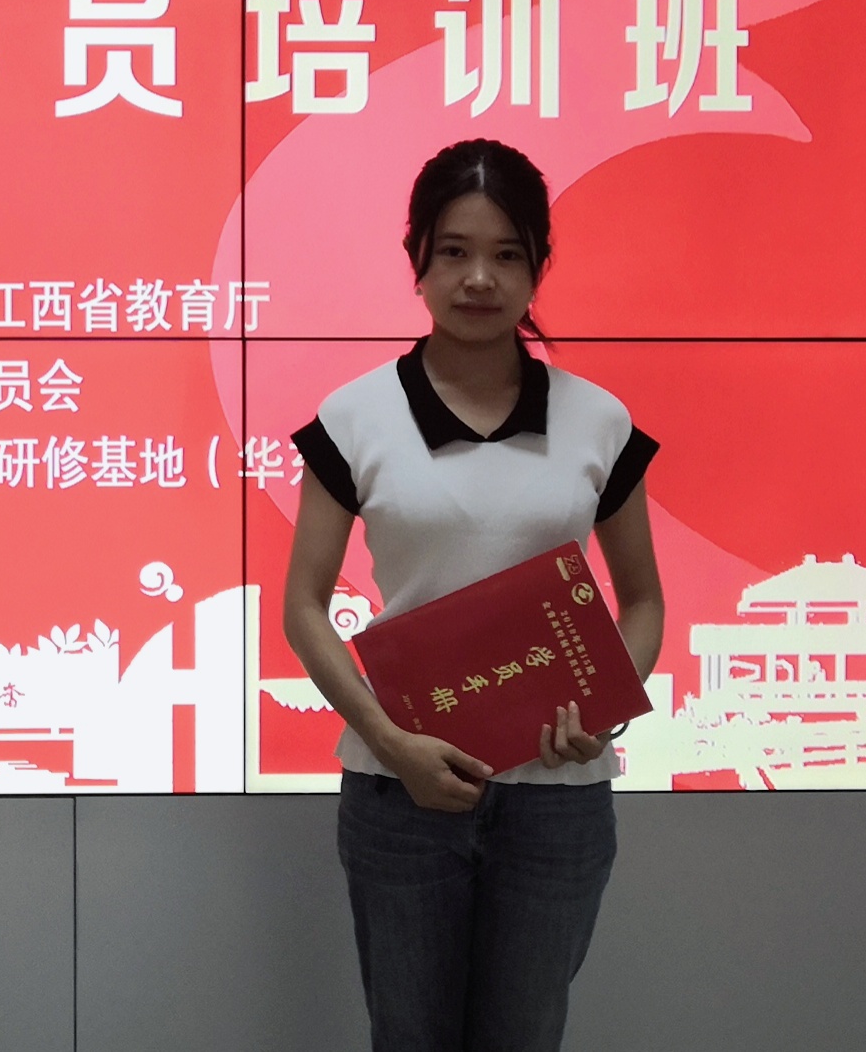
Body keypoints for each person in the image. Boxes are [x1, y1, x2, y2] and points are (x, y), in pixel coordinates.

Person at [282, 138, 667, 1052]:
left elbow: (643, 601)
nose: (480, 279)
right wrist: (389, 741)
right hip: (400, 791)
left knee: (526, 1036)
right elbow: (302, 604)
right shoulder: (354, 416)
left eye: (507, 254)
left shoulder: (598, 420)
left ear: (539, 267)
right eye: (454, 251)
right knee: (408, 1035)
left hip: (558, 796)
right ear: (416, 259)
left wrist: (605, 711)